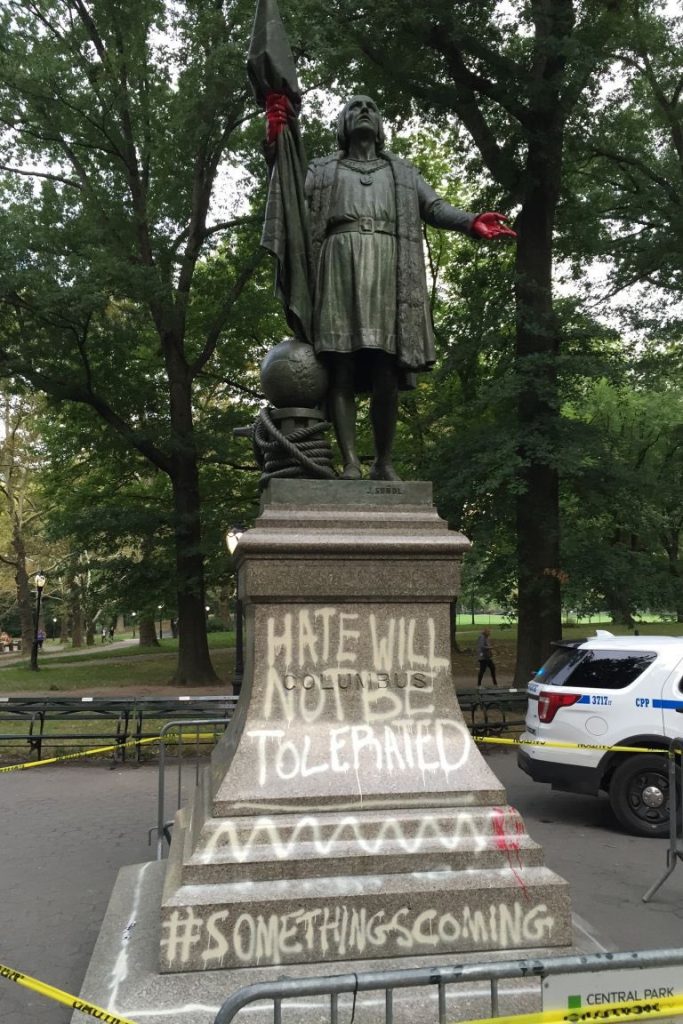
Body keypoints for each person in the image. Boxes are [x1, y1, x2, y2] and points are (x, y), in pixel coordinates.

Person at [293, 95, 516, 480]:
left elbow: (435, 208)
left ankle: (383, 461)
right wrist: (275, 139)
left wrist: (470, 221)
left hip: (388, 267)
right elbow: (289, 193)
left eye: (371, 107)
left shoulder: (403, 172)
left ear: (380, 127)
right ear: (342, 125)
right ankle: (349, 463)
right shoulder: (322, 169)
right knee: (340, 365)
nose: (363, 109)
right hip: (338, 263)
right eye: (354, 107)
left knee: (386, 369)